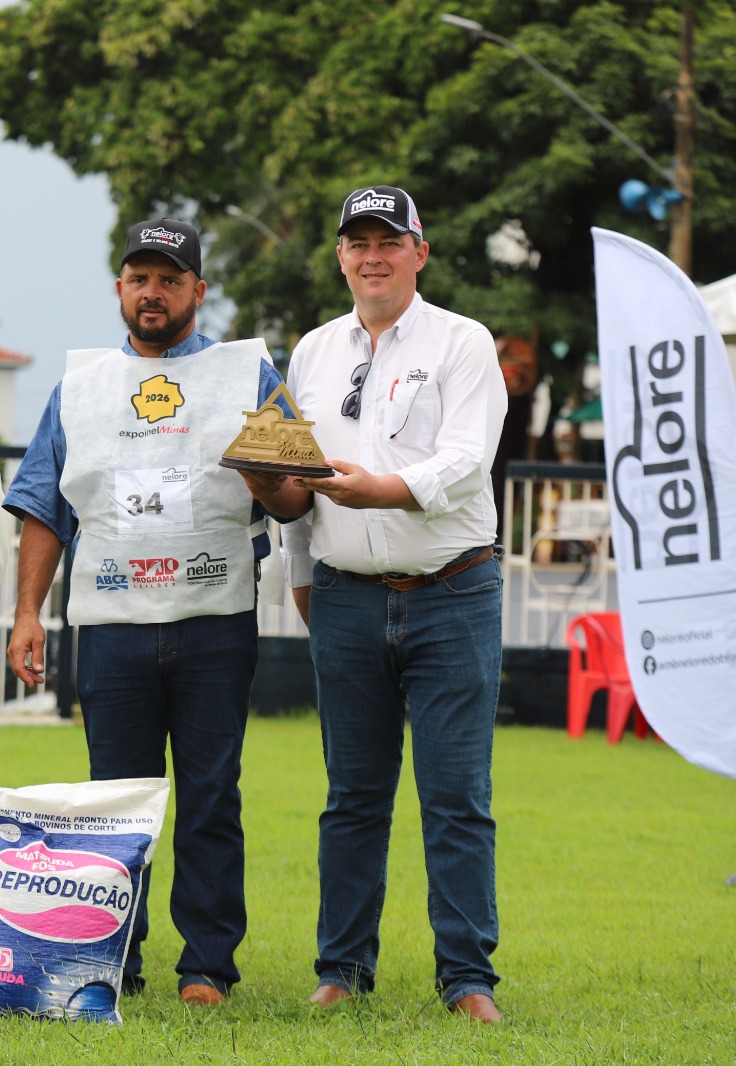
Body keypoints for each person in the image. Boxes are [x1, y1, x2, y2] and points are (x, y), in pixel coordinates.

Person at [4, 218, 295, 1007]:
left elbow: (296, 497)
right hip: (109, 626)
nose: (153, 293)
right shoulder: (80, 388)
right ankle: (111, 959)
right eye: (140, 279)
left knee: (211, 795)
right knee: (112, 805)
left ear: (199, 289)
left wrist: (271, 482)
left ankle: (207, 968)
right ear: (120, 289)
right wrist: (27, 612)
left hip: (215, 619)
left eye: (169, 279)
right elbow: (44, 507)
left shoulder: (250, 375)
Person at [241, 185, 507, 1023]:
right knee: (352, 796)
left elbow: (466, 460)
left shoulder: (464, 341)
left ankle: (467, 979)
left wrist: (381, 491)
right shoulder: (312, 351)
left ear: (419, 252)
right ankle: (342, 968)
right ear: (340, 256)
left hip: (454, 591)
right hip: (345, 596)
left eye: (388, 241)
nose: (372, 256)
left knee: (455, 796)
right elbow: (295, 483)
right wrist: (296, 563)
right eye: (357, 242)